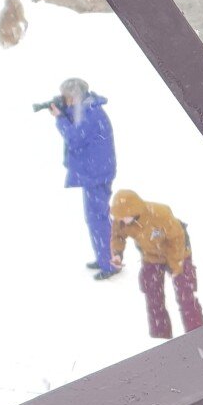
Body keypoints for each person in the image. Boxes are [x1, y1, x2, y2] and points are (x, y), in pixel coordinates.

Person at [43, 78, 117, 278]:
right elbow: (76, 122)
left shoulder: (91, 114)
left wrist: (59, 117)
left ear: (75, 96)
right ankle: (107, 257)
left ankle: (110, 263)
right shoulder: (88, 108)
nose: (65, 101)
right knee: (97, 218)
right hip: (95, 172)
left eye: (67, 98)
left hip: (97, 174)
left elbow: (75, 137)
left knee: (97, 219)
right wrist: (62, 110)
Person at [109, 189, 203, 340]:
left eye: (124, 217)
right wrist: (117, 254)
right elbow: (118, 236)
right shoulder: (121, 219)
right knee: (153, 295)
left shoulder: (161, 213)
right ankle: (161, 338)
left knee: (186, 296)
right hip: (151, 256)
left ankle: (199, 335)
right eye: (119, 218)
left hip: (178, 252)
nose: (121, 221)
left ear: (134, 210)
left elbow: (177, 238)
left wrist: (176, 265)